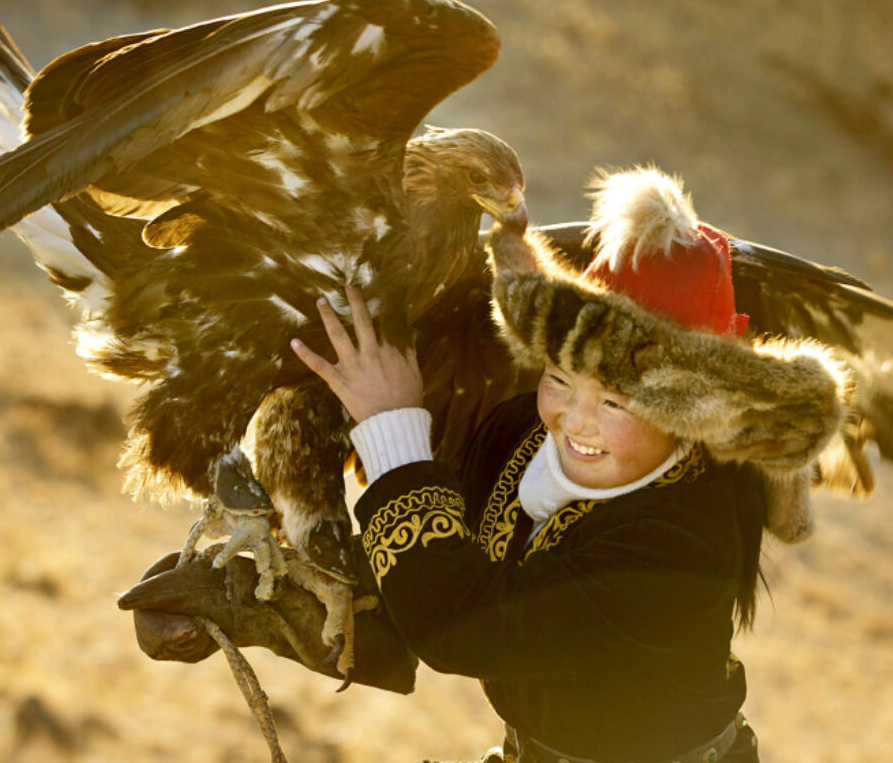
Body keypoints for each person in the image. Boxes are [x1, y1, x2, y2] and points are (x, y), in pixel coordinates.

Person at [121, 168, 849, 763]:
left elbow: (461, 626)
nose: (576, 420)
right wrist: (244, 604)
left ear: (690, 412)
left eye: (617, 402)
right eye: (560, 378)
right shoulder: (519, 435)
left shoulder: (679, 543)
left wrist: (392, 427)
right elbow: (415, 597)